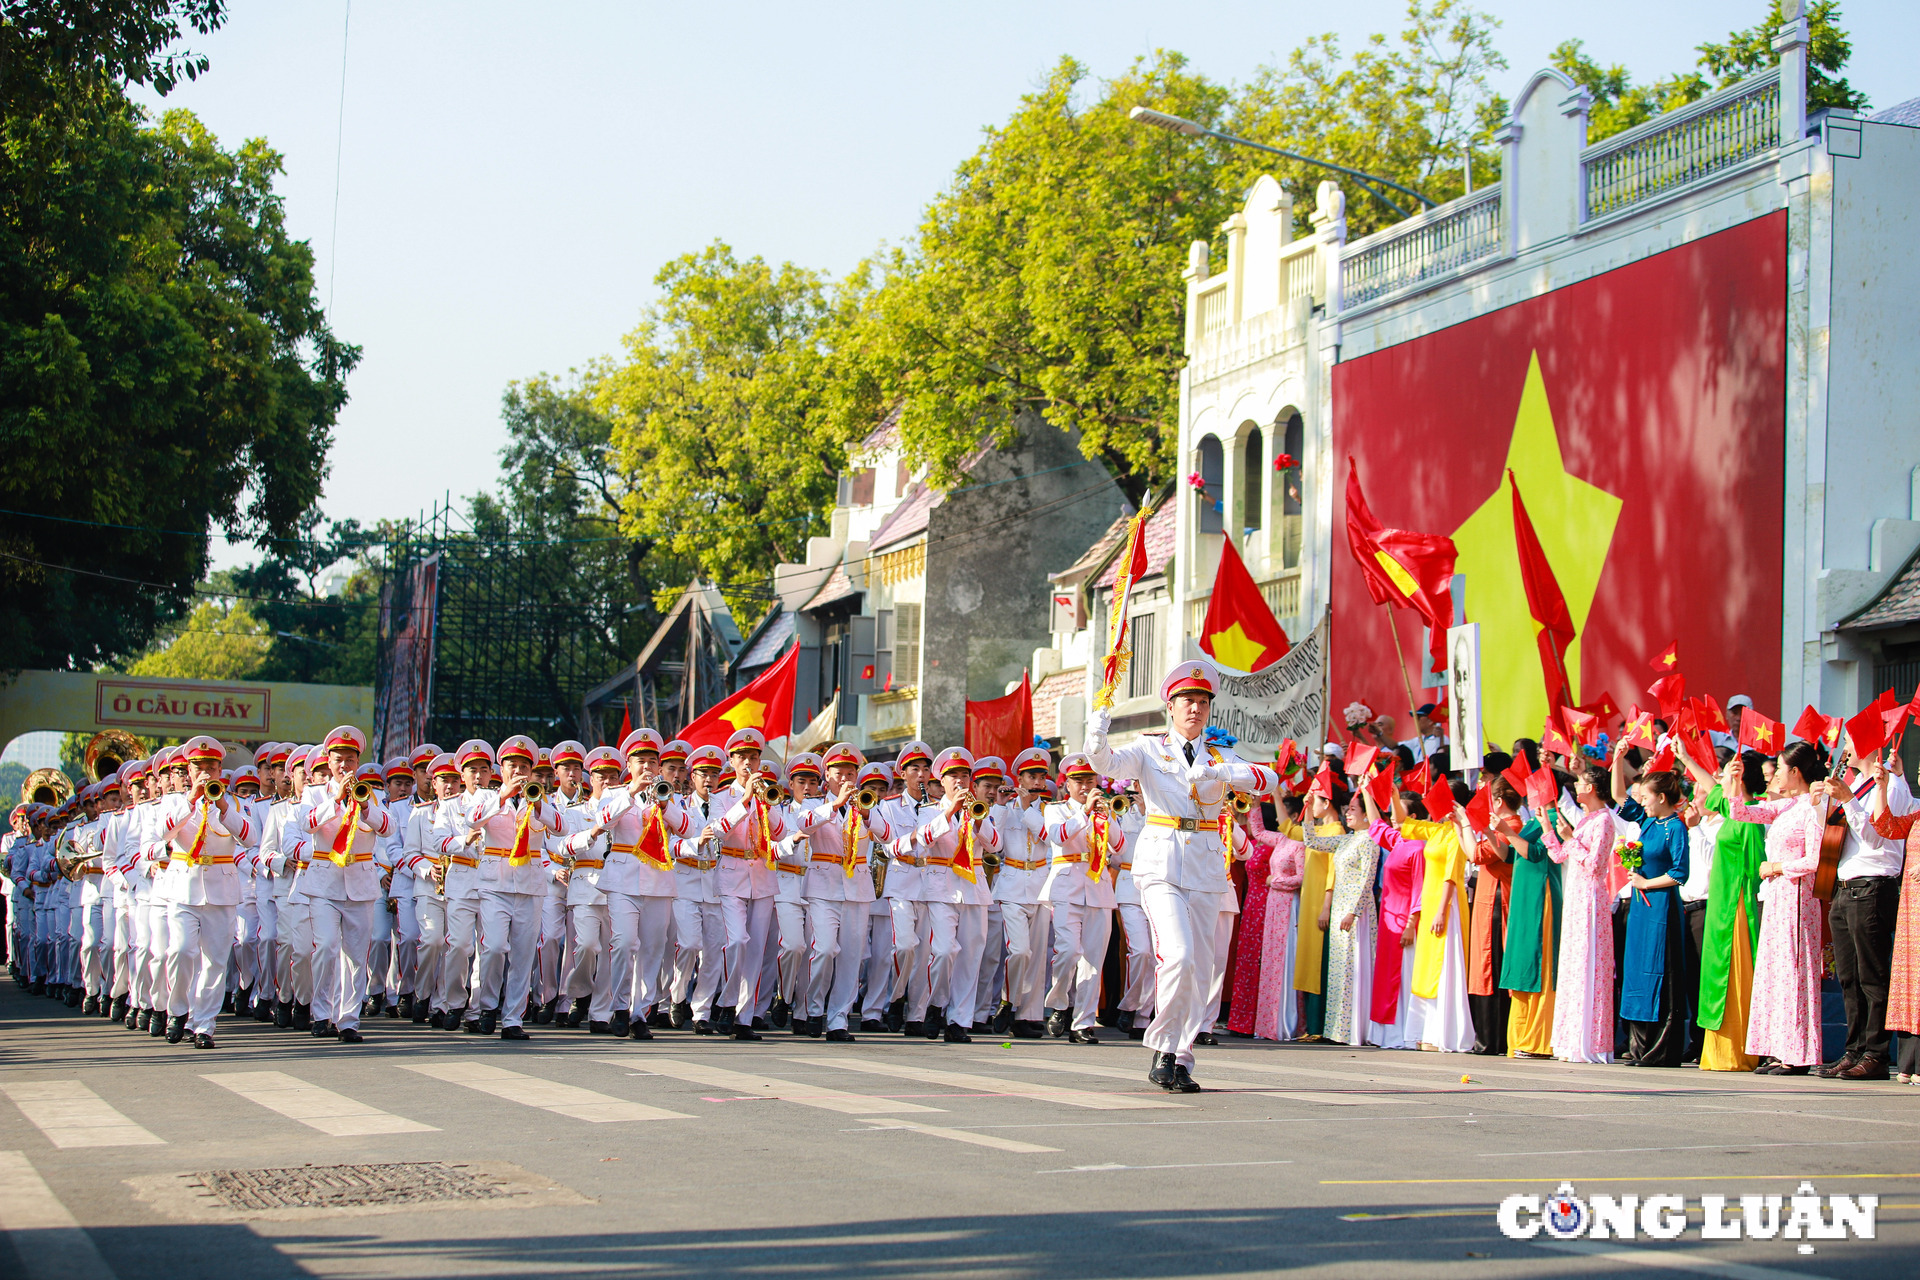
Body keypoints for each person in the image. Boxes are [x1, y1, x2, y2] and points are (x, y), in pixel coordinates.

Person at [1086, 658, 1276, 1092]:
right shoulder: (1149, 747)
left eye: (1203, 702)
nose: (1195, 709)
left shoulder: (1219, 753)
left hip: (1207, 867)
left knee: (1202, 967)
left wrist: (1220, 772)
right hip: (1162, 864)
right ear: (1169, 707)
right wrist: (1097, 731)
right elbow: (1108, 764)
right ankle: (1163, 1046)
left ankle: (1182, 1055)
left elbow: (1267, 777)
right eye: (1187, 700)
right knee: (1180, 956)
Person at [1729, 741, 1828, 1075]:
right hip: (1776, 898)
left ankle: (1798, 1052)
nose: (1776, 775)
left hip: (1798, 897)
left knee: (1794, 971)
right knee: (1775, 972)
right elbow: (1740, 813)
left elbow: (1814, 859)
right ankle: (1777, 1047)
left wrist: (1777, 867)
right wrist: (1736, 781)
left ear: (1795, 772)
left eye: (1781, 769)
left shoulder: (1812, 807)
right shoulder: (1785, 807)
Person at [1818, 734, 1911, 1081]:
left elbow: (1878, 836)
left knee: (1872, 975)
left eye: (1852, 742)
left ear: (1872, 745)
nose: (1845, 749)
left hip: (1872, 887)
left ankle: (1876, 1052)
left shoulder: (1890, 783)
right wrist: (1823, 804)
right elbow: (1831, 835)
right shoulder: (1857, 783)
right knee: (1848, 977)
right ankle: (1854, 1048)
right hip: (1843, 886)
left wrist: (1848, 801)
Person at [1679, 749, 1767, 1071]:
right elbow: (1709, 784)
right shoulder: (1732, 810)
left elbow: (1758, 866)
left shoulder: (1753, 815)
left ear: (1741, 778)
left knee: (1737, 976)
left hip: (1739, 904)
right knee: (1716, 975)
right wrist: (1687, 759)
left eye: (1730, 773)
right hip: (1719, 903)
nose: (1721, 779)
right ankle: (1717, 1050)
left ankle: (1740, 1050)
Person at [1611, 749, 1692, 1067]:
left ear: (1661, 797)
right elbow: (1618, 794)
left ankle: (1661, 1050)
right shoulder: (1647, 821)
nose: (1641, 800)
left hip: (1661, 907)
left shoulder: (1676, 828)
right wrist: (1617, 758)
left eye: (1646, 796)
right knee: (1637, 972)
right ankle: (1639, 1046)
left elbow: (1679, 873)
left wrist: (1646, 883)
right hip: (1641, 910)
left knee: (1662, 971)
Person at [1538, 759, 1618, 1063]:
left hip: (1591, 898)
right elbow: (1560, 856)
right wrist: (1549, 830)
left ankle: (1591, 1042)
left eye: (1582, 782)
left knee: (1589, 963)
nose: (1577, 786)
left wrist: (1571, 838)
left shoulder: (1603, 821)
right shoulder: (1585, 821)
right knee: (1573, 965)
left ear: (1593, 787)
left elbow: (1596, 864)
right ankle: (1570, 1038)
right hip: (1574, 896)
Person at [1304, 776, 1379, 1047]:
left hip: (1355, 912)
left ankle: (1355, 1028)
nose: (1348, 812)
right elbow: (1312, 842)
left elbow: (1367, 879)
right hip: (1339, 911)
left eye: (1353, 810)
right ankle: (1338, 1029)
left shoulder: (1369, 840)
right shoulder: (1346, 840)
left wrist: (1353, 912)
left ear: (1366, 815)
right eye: (1346, 809)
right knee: (1338, 970)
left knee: (1353, 969)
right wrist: (1308, 811)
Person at [1492, 776, 1561, 1059]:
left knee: (1539, 962)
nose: (1528, 795)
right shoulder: (1536, 819)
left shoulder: (1554, 818)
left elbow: (1534, 853)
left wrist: (1507, 829)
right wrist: (1489, 831)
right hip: (1522, 897)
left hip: (1540, 895)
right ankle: (1521, 1036)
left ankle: (1539, 1040)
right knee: (1521, 962)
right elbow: (1509, 856)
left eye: (1534, 789)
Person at [1865, 750, 1920, 1084]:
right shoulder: (1917, 814)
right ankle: (1910, 1063)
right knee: (1910, 980)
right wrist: (1883, 786)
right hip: (1912, 910)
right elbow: (1885, 826)